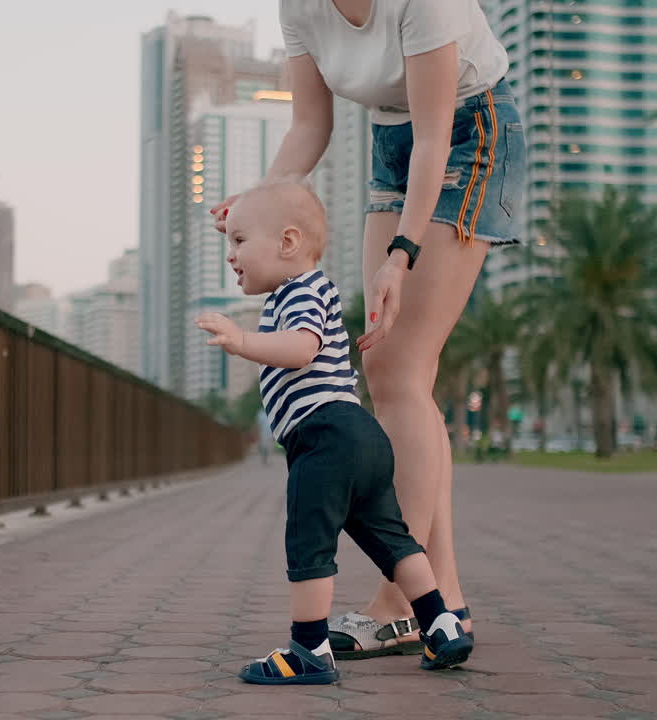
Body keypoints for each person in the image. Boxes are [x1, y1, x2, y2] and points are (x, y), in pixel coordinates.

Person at [210, 0, 522, 657]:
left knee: (400, 369)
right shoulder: (298, 6)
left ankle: (401, 601)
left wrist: (400, 257)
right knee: (388, 372)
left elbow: (436, 134)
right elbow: (309, 125)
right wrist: (258, 203)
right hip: (390, 140)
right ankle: (445, 600)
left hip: (467, 131)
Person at [196, 180, 472, 685]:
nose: (230, 255)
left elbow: (302, 348)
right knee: (394, 540)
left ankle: (309, 650)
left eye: (238, 242)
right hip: (359, 434)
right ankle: (441, 623)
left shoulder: (299, 291)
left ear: (287, 243)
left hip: (323, 436)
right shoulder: (304, 289)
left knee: (309, 542)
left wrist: (241, 341)